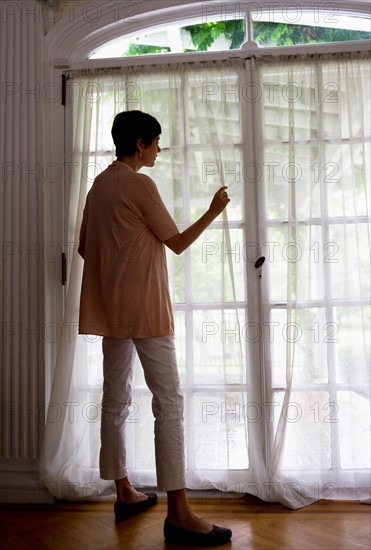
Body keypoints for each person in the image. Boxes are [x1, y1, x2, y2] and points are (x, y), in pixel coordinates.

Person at [78, 110, 232, 546]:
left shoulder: (99, 185)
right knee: (169, 403)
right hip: (145, 309)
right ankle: (179, 513)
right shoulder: (139, 183)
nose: (160, 150)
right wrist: (212, 211)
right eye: (157, 142)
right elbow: (178, 243)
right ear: (141, 144)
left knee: (116, 399)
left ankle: (123, 490)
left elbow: (87, 249)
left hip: (111, 310)